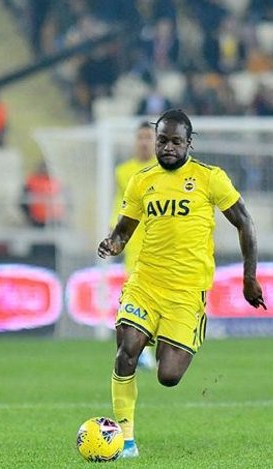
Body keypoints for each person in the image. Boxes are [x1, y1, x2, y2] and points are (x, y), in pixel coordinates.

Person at [97, 109, 266, 458]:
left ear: (189, 143)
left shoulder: (210, 178)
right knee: (126, 351)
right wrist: (111, 244)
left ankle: (174, 334)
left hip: (187, 293)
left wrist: (249, 277)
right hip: (145, 283)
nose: (168, 147)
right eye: (162, 140)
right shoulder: (141, 181)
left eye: (176, 141)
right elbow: (123, 232)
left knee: (168, 376)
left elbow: (245, 223)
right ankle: (126, 441)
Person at [111, 122, 158, 370]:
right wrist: (114, 231)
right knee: (137, 298)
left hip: (162, 244)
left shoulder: (165, 169)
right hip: (135, 245)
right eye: (140, 137)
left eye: (148, 137)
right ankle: (143, 350)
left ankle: (158, 346)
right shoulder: (123, 172)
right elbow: (120, 203)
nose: (144, 142)